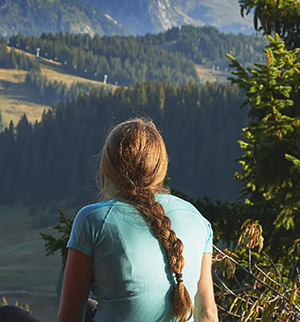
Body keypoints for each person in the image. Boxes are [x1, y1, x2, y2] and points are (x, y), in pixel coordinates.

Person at [58, 118, 217, 322]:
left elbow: (68, 317)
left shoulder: (93, 219)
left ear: (109, 166)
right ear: (160, 166)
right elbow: (209, 314)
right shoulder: (198, 219)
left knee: (9, 315)